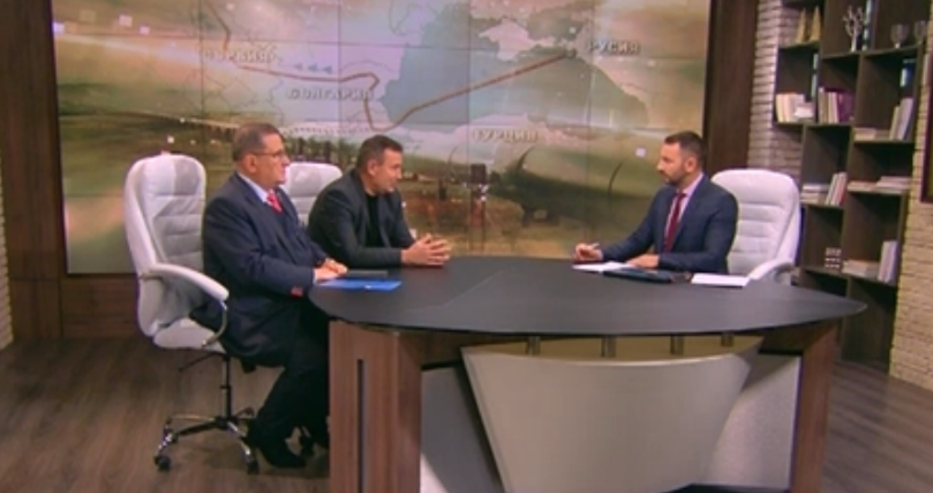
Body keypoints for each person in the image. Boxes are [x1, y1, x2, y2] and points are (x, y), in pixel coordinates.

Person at [194, 122, 347, 469]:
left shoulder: (276, 196)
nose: (287, 161)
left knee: (339, 336)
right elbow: (250, 267)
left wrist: (323, 261)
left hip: (278, 302)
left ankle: (310, 416)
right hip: (246, 311)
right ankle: (268, 431)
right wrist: (311, 276)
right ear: (251, 162)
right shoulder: (226, 206)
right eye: (278, 154)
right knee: (313, 354)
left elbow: (300, 240)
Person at [573, 130, 738, 274]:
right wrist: (600, 254)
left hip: (701, 291)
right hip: (662, 285)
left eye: (667, 161)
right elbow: (638, 241)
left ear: (690, 165)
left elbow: (712, 258)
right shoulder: (664, 196)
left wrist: (659, 260)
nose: (659, 167)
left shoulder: (721, 202)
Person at [307, 134, 451, 268]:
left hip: (380, 275)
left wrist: (427, 251)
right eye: (394, 168)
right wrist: (406, 256)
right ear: (372, 168)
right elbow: (351, 255)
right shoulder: (338, 197)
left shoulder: (390, 196)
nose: (399, 176)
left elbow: (403, 242)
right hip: (339, 279)